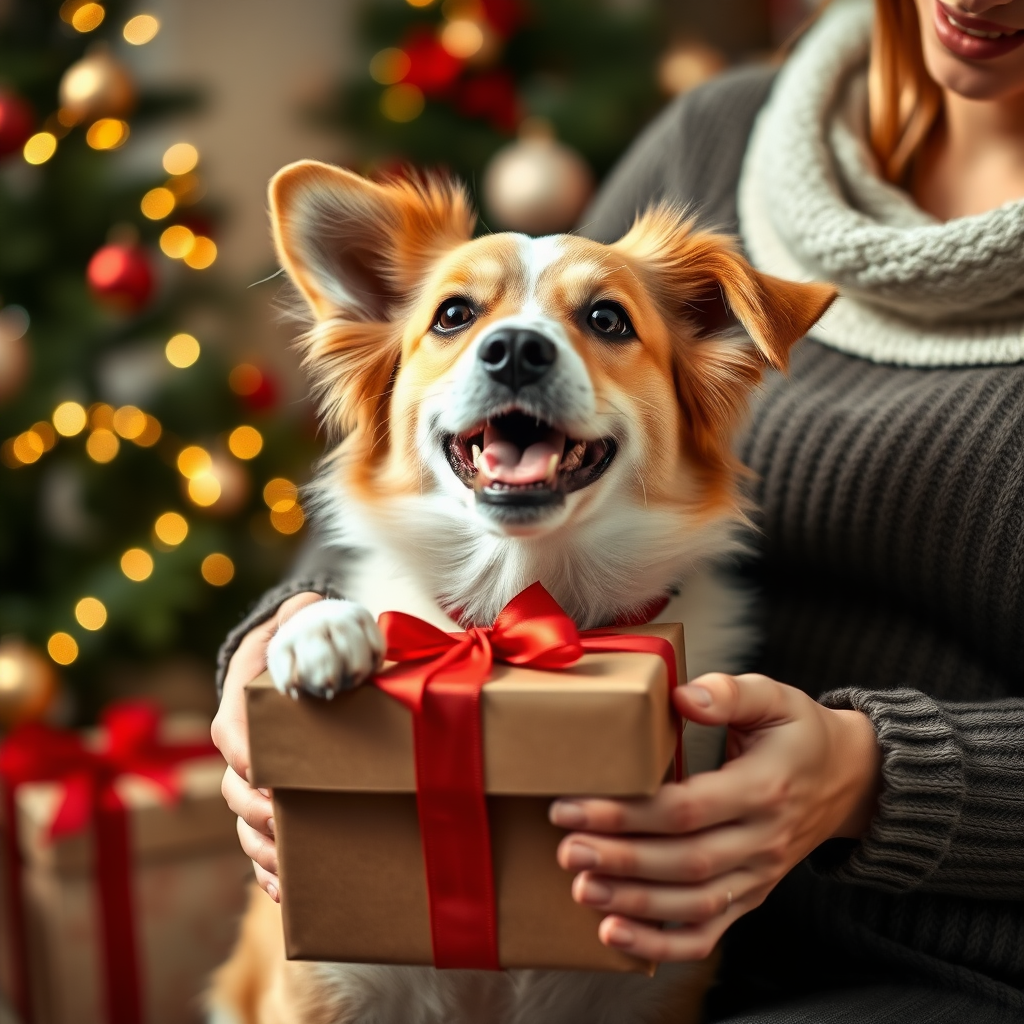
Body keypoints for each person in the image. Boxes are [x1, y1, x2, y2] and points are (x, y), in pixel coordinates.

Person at [212, 1, 1024, 1019]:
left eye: (602, 320)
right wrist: (282, 635)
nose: (515, 346)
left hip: (934, 969)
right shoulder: (714, 134)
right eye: (459, 317)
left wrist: (874, 777)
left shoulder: (685, 676)